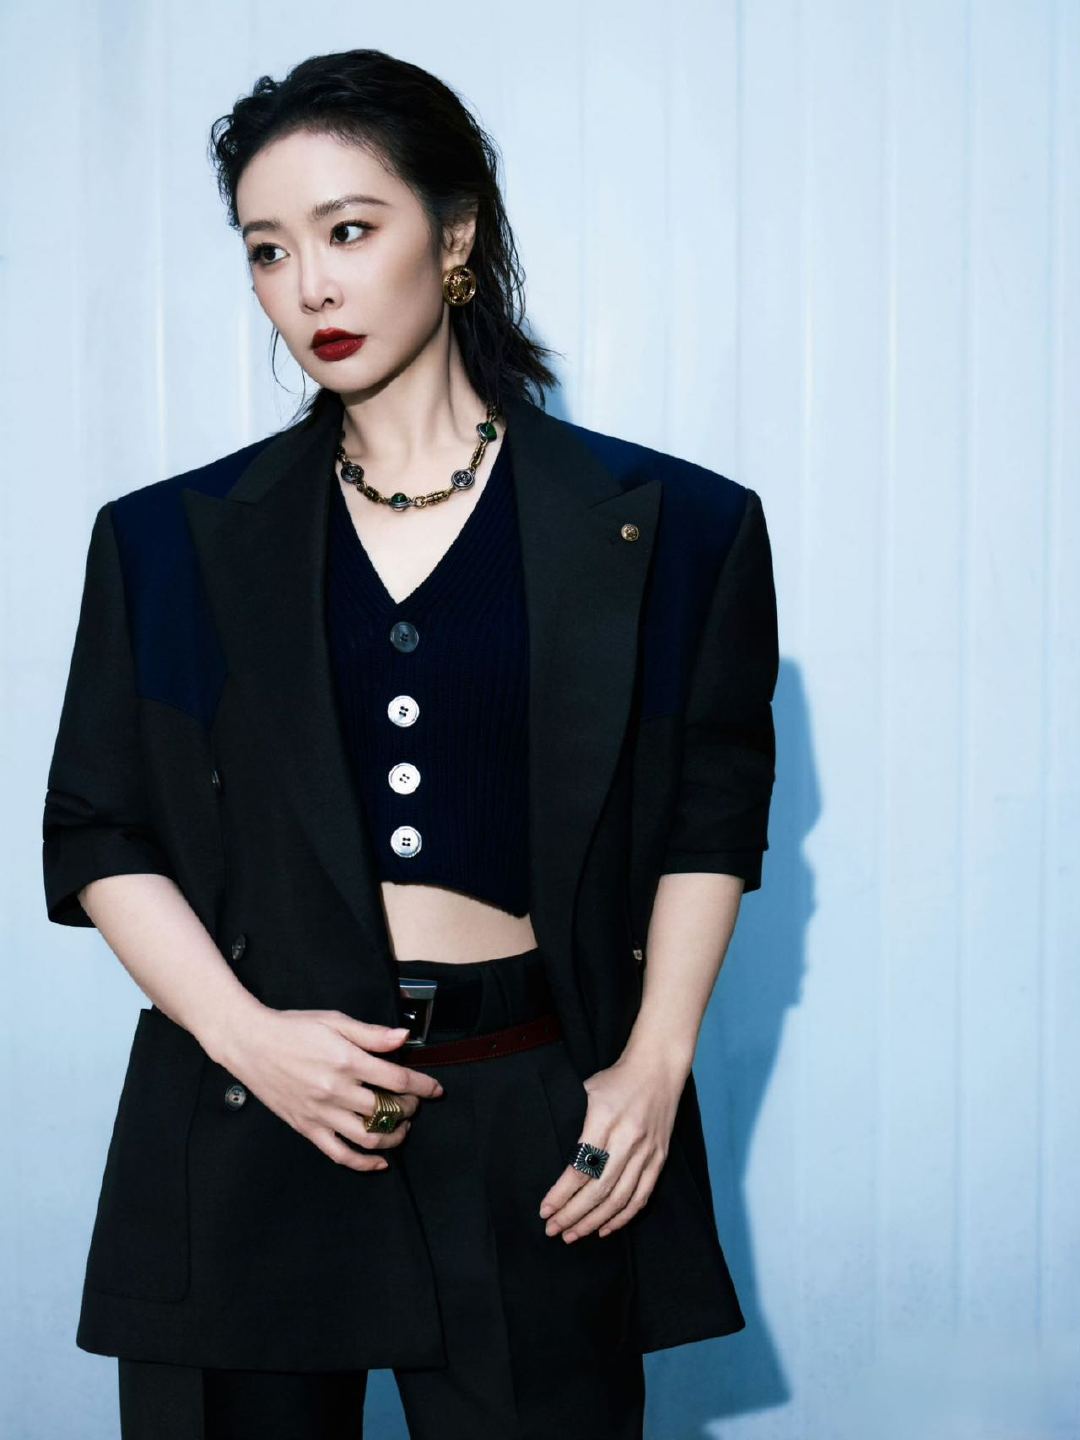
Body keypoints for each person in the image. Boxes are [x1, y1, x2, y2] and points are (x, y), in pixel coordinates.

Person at [42, 46, 779, 1440]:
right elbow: (99, 827)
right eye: (268, 249)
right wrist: (247, 1037)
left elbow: (709, 813)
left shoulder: (675, 526)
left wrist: (652, 1066)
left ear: (453, 238)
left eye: (348, 230)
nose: (307, 287)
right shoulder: (169, 541)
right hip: (256, 1103)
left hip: (531, 1120)